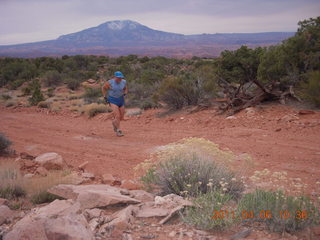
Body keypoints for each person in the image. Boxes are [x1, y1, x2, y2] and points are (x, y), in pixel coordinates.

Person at [102, 71, 128, 137]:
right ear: (115, 77)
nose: (120, 79)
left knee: (121, 117)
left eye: (121, 77)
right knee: (117, 116)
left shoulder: (124, 82)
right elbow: (103, 88)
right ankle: (118, 130)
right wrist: (104, 96)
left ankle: (114, 123)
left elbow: (125, 88)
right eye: (118, 77)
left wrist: (125, 93)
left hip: (121, 99)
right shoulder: (110, 82)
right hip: (113, 100)